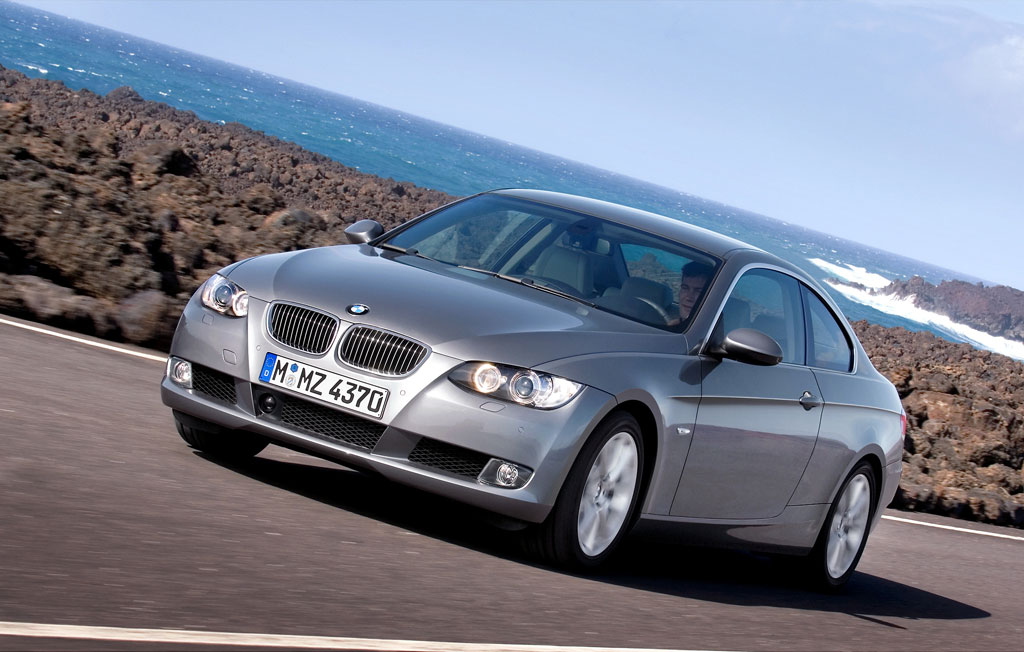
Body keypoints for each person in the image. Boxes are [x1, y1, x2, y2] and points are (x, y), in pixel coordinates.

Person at [668, 261, 714, 326]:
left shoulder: (712, 330)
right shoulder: (673, 325)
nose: (689, 298)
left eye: (698, 291)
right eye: (685, 288)